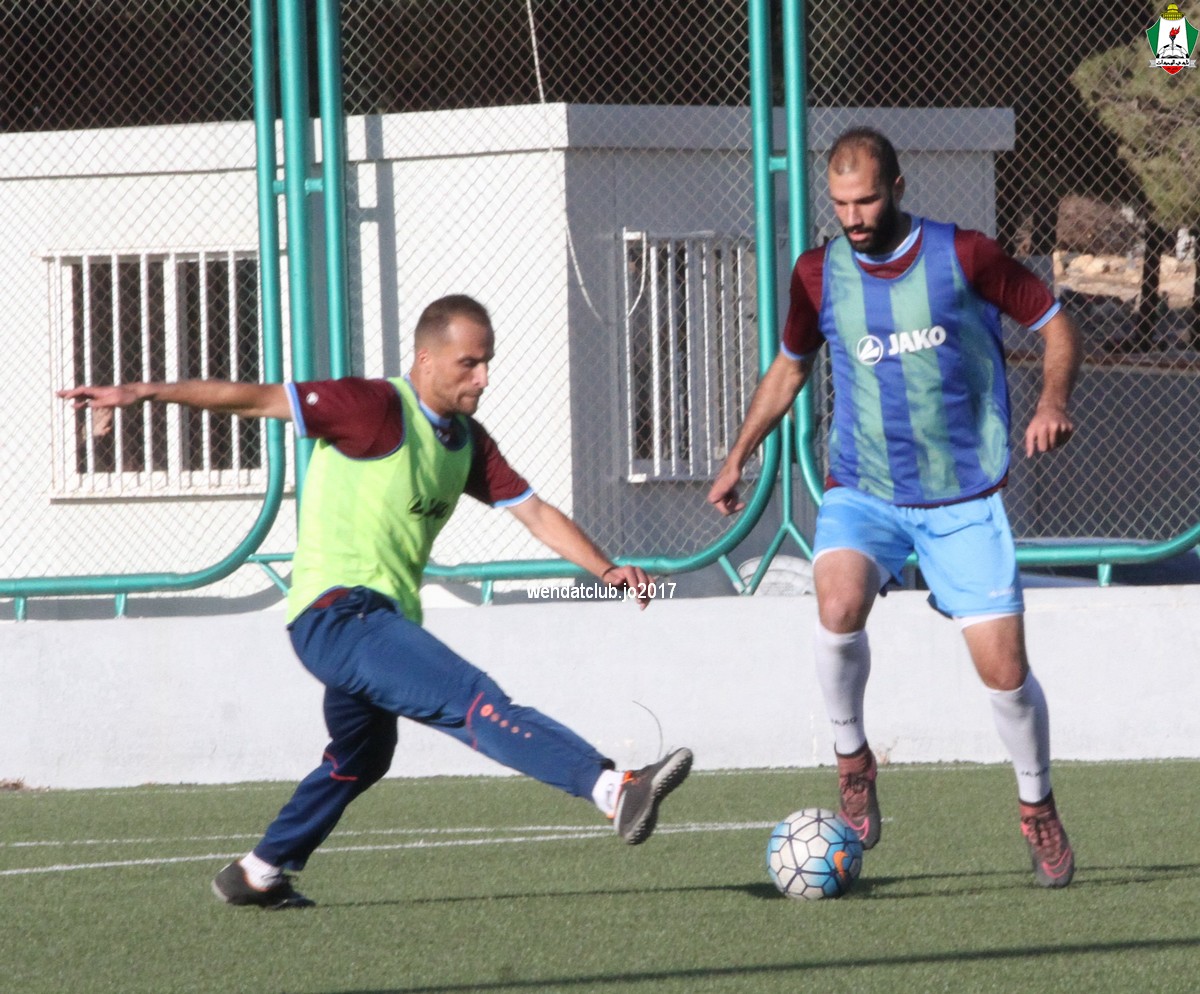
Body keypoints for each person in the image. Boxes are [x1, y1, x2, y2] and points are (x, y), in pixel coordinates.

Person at [61, 293, 692, 909]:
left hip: (375, 624)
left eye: (487, 362)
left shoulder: (467, 441)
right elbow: (251, 398)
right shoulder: (371, 406)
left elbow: (533, 512)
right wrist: (141, 392)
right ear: (425, 359)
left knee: (361, 758)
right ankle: (611, 788)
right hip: (337, 615)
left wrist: (606, 568)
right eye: (468, 363)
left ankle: (258, 871)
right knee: (473, 700)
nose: (483, 377)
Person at [707, 128, 1082, 888]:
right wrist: (738, 452)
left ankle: (1036, 803)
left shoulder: (966, 254)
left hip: (962, 494)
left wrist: (1052, 400)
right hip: (864, 490)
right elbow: (790, 367)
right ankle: (853, 757)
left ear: (899, 187)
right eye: (841, 203)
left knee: (1006, 674)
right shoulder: (816, 274)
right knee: (837, 602)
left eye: (867, 200)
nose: (852, 216)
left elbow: (1055, 323)